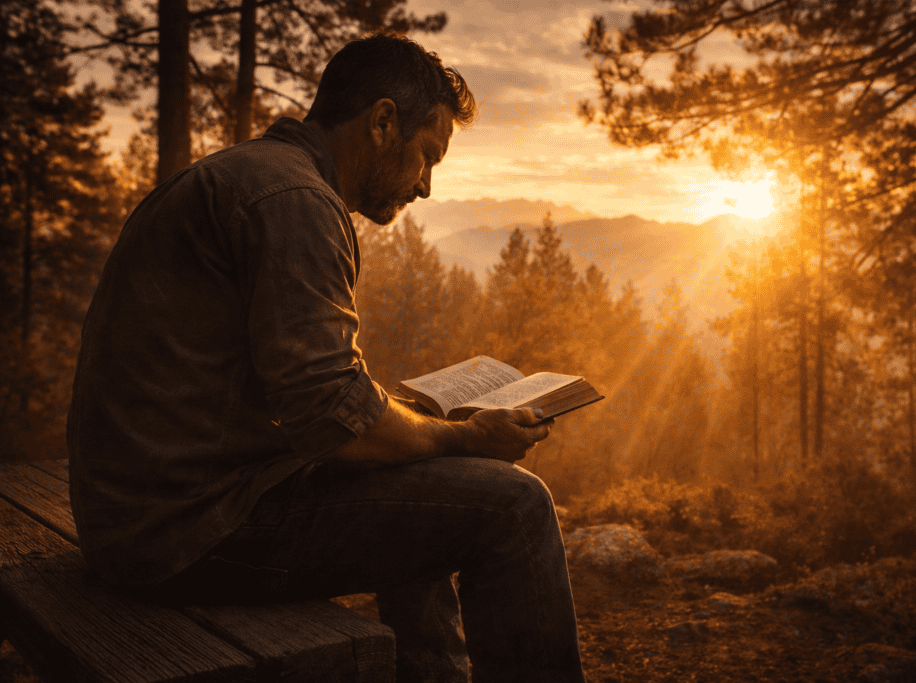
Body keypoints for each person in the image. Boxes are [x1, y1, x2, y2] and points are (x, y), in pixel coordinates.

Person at [67, 33, 587, 683]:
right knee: (515, 505)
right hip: (184, 533)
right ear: (381, 122)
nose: (425, 187)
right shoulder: (297, 202)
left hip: (138, 513)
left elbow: (306, 391)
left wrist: (427, 432)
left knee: (426, 486)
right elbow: (331, 417)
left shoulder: (248, 175)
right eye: (427, 157)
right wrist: (468, 436)